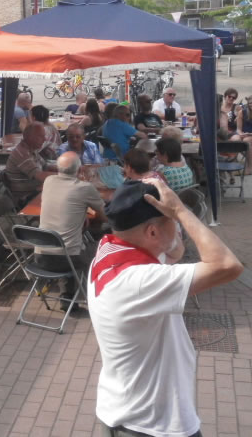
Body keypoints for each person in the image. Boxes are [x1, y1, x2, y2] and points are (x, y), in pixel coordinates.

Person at [88, 178, 243, 437]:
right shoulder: (140, 281)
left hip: (124, 410)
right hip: (153, 425)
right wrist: (180, 210)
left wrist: (169, 220)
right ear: (152, 233)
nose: (179, 227)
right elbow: (227, 265)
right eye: (173, 223)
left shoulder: (112, 250)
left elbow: (173, 254)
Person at [37, 152, 106, 308]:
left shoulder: (48, 181)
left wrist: (79, 214)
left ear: (57, 168)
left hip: (41, 257)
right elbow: (106, 216)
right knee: (98, 246)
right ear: (80, 170)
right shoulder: (85, 188)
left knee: (67, 241)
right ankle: (103, 295)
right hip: (69, 258)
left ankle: (66, 296)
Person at [4, 122, 57, 204]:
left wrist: (66, 169)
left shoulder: (31, 149)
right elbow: (40, 176)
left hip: (36, 190)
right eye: (41, 136)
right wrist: (63, 176)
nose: (45, 139)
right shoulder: (22, 153)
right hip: (25, 197)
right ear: (30, 137)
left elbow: (46, 166)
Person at [235, 95, 252, 175]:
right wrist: (240, 133)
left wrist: (250, 134)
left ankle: (250, 168)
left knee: (246, 141)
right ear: (247, 104)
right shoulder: (242, 112)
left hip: (249, 136)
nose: (251, 105)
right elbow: (238, 129)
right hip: (245, 134)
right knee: (235, 139)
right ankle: (234, 165)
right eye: (250, 103)